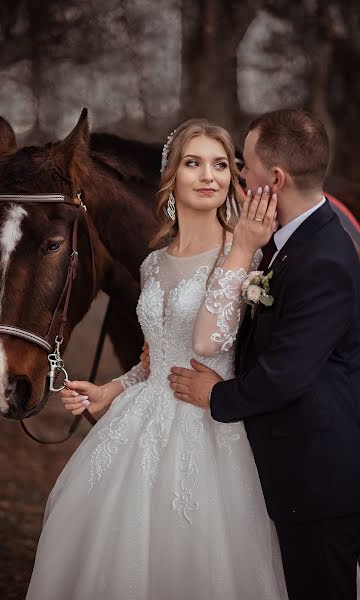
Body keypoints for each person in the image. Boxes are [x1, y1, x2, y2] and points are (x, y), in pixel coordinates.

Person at [26, 118, 288, 600]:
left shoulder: (246, 255)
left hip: (215, 429)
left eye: (220, 165)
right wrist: (109, 390)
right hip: (141, 428)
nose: (209, 175)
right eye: (194, 163)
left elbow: (229, 348)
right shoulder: (152, 263)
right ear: (172, 176)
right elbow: (159, 357)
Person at [168, 109, 360, 600]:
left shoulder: (326, 258)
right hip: (288, 465)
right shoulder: (289, 241)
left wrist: (219, 396)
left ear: (274, 179)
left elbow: (285, 373)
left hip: (319, 476)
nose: (237, 176)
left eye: (244, 166)